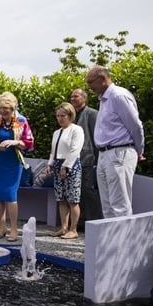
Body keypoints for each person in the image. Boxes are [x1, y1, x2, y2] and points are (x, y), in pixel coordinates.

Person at [85, 65, 145, 218]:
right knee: (108, 206)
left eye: (91, 82)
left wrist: (139, 149)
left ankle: (124, 241)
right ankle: (112, 242)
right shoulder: (105, 99)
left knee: (119, 205)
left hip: (119, 152)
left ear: (103, 79)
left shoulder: (118, 96)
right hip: (105, 154)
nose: (89, 86)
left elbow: (135, 125)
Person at [0, 92, 34, 242]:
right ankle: (1, 228)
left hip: (13, 163)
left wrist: (14, 143)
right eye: (0, 108)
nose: (2, 111)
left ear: (12, 107)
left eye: (5, 108)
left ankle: (14, 229)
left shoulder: (21, 121)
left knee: (10, 196)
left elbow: (29, 143)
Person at [45, 103, 84, 239]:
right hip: (57, 164)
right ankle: (63, 228)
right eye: (58, 116)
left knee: (73, 199)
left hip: (71, 165)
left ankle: (73, 230)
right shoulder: (57, 132)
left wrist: (66, 166)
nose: (60, 118)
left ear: (70, 116)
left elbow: (75, 149)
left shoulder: (76, 130)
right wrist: (50, 164)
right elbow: (53, 151)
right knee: (61, 199)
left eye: (63, 116)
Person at [70, 88, 103, 224]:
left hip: (88, 160)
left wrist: (98, 159)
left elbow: (97, 138)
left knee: (88, 190)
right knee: (77, 191)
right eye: (71, 97)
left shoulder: (92, 114)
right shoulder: (71, 115)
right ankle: (81, 220)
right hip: (74, 160)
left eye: (76, 96)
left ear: (84, 98)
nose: (72, 99)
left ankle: (95, 220)